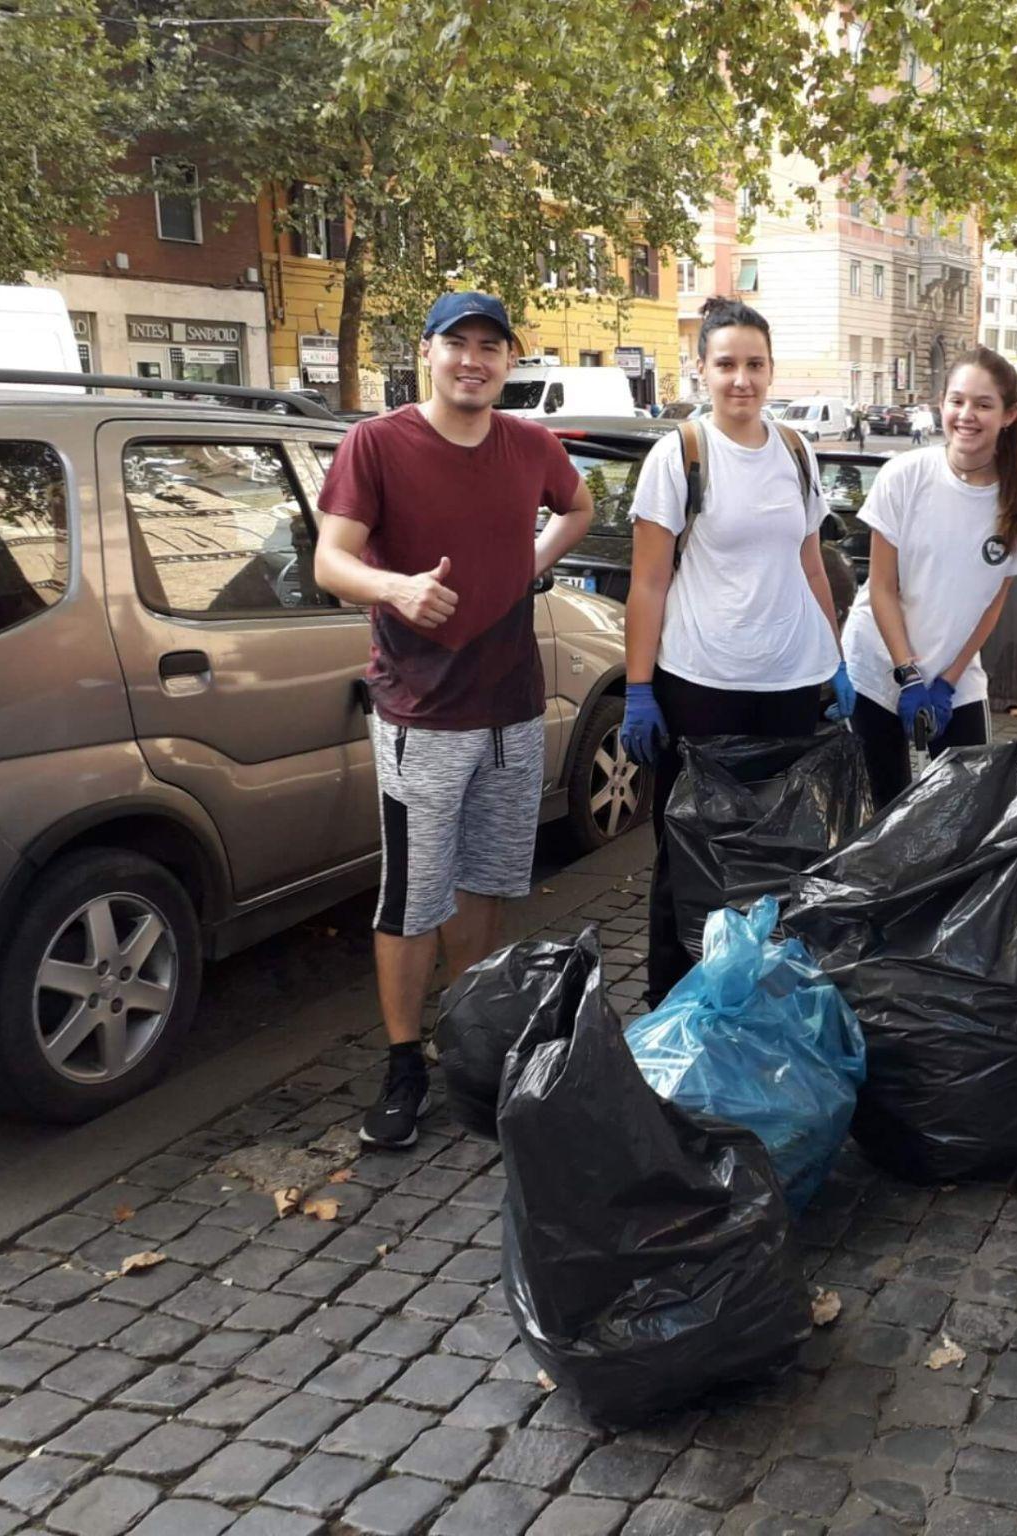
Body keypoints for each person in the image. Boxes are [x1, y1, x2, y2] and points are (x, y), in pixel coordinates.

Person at [315, 292, 596, 1149]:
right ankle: (404, 1064)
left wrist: (529, 564)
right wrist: (394, 586)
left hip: (512, 705)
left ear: (509, 359)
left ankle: (470, 1040)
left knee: (486, 883)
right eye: (457, 344)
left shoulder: (529, 442)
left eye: (490, 346)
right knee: (413, 896)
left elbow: (577, 509)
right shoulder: (378, 442)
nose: (474, 360)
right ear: (427, 353)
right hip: (420, 712)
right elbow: (329, 560)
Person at [620, 297, 848, 1004]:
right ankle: (676, 1007)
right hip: (701, 685)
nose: (741, 379)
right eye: (726, 364)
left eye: (754, 364)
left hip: (789, 686)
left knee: (778, 853)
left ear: (771, 370)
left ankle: (757, 1002)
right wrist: (637, 688)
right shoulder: (680, 454)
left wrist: (835, 657)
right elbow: (649, 582)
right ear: (702, 370)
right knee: (689, 856)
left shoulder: (795, 451)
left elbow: (812, 564)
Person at [841, 347, 1017, 806]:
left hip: (953, 678)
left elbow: (992, 601)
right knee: (884, 813)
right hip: (878, 667)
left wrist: (949, 679)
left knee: (961, 817)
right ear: (942, 405)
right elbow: (881, 587)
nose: (967, 415)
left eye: (983, 404)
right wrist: (908, 674)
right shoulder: (904, 476)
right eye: (957, 401)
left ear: (1010, 414)